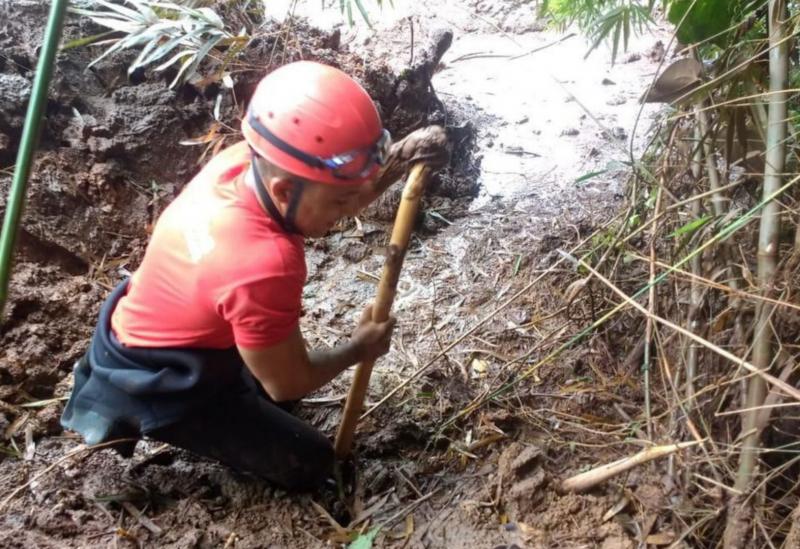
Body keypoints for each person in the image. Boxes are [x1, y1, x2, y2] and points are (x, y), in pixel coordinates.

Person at [60, 60, 449, 491]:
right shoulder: (266, 262)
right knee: (310, 460)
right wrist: (359, 347)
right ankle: (158, 419)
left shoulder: (245, 163)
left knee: (283, 385)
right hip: (159, 378)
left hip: (154, 326)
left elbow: (333, 189)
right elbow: (287, 382)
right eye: (340, 205)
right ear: (285, 190)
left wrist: (398, 160)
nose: (345, 214)